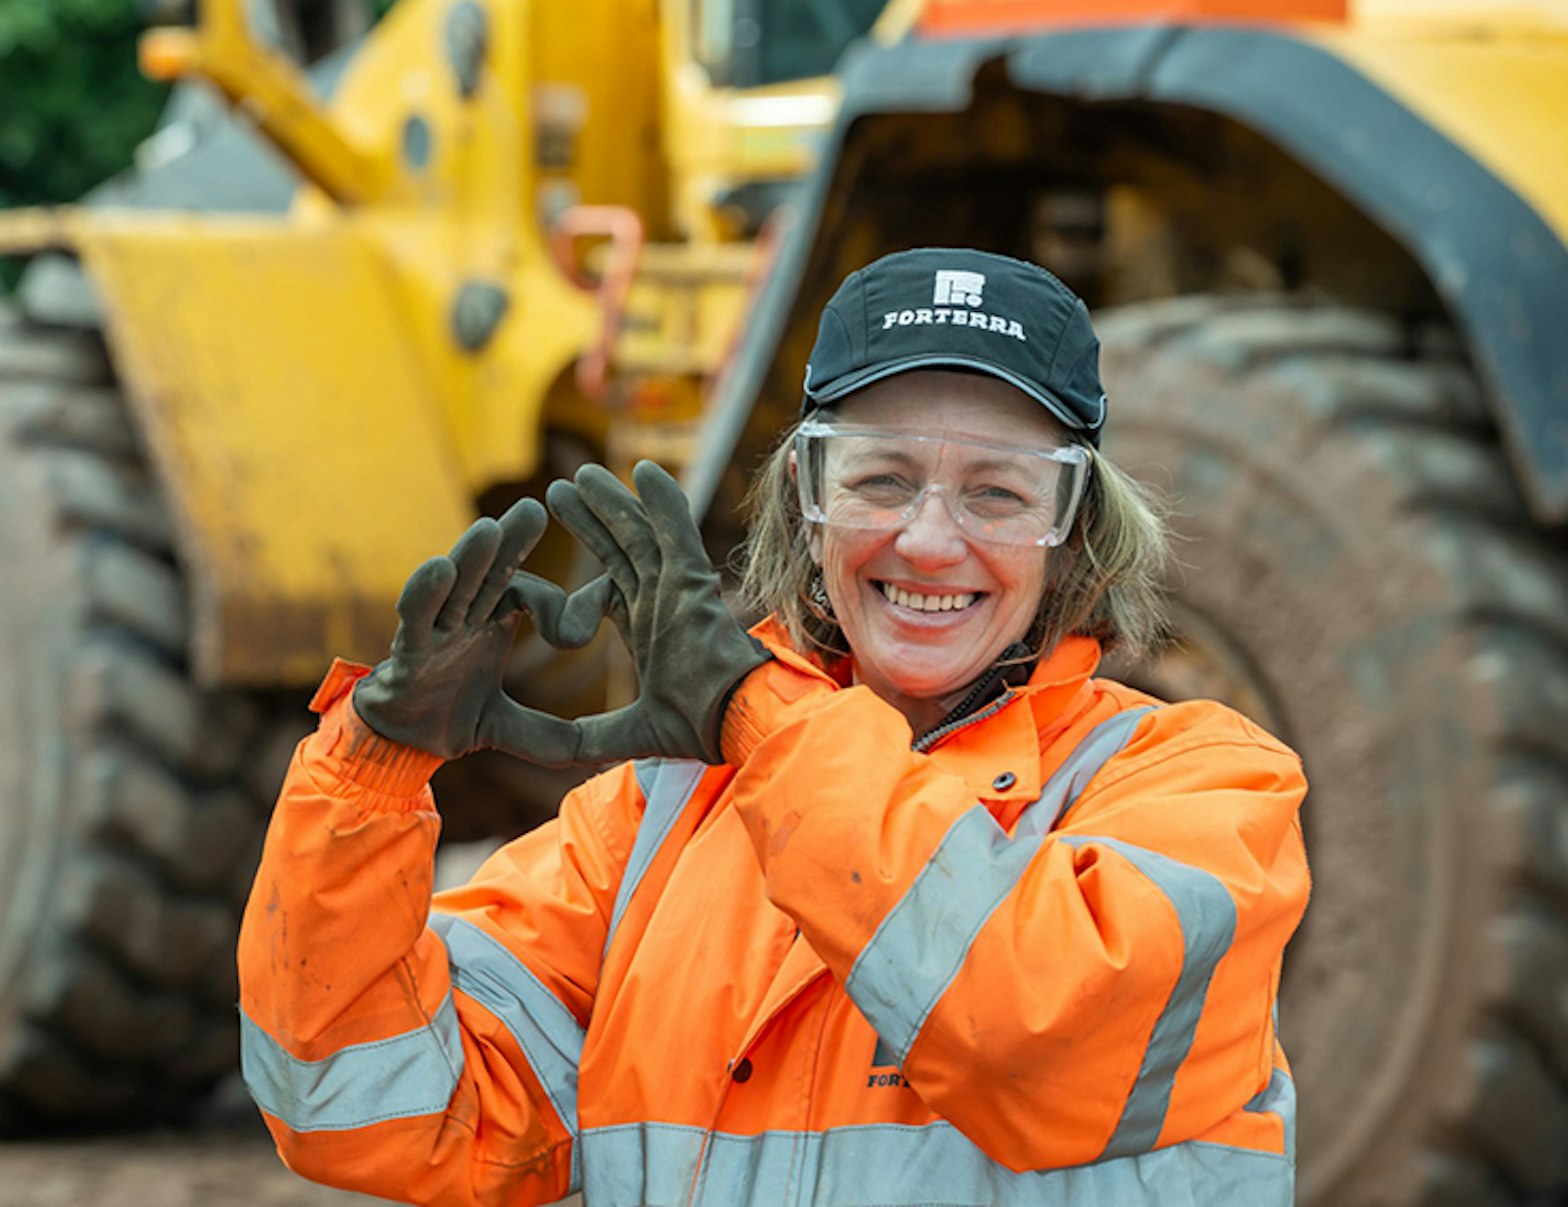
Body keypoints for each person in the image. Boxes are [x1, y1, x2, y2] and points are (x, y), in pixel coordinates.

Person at [236, 248, 1310, 1206]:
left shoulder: (1205, 789)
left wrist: (751, 711)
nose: (930, 541)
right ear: (806, 500)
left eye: (998, 493)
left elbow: (1036, 1033)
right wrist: (372, 772)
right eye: (880, 479)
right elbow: (359, 1107)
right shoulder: (651, 825)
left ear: (1073, 533)